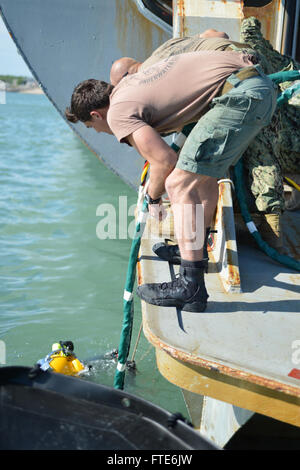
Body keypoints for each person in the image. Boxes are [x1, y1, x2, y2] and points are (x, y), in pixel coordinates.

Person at [65, 49, 277, 312]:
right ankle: (194, 254)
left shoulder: (117, 113)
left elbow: (164, 160)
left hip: (240, 95)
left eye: (91, 127)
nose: (99, 131)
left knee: (177, 182)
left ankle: (191, 287)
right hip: (256, 87)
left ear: (96, 115)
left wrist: (152, 198)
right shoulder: (129, 85)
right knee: (202, 175)